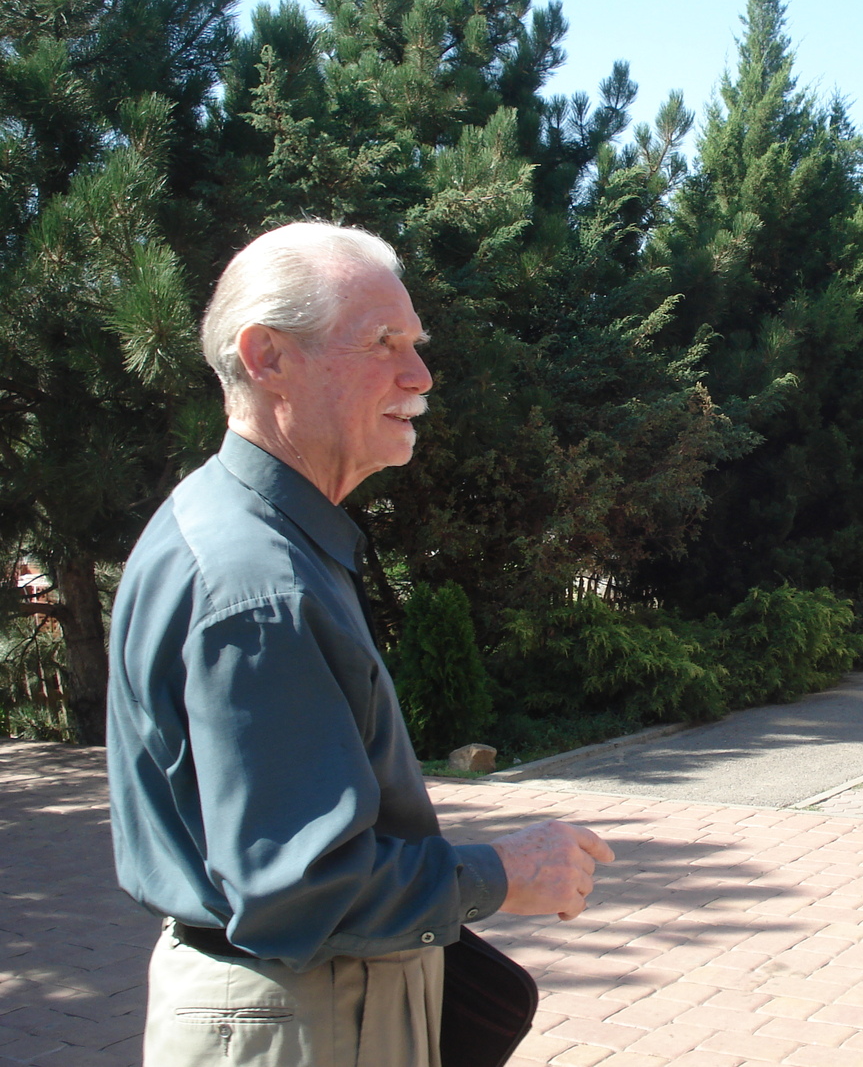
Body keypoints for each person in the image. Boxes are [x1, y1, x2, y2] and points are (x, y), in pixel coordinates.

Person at [107, 221, 614, 1066]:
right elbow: (301, 888)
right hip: (307, 1018)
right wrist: (505, 870)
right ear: (267, 357)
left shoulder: (245, 529)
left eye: (415, 343)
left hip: (311, 1007)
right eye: (383, 342)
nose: (419, 375)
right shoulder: (259, 585)